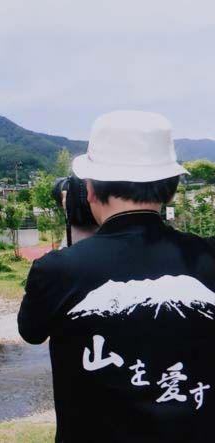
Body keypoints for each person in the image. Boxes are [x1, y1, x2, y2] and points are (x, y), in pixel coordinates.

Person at [18, 110, 215, 443]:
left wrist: (79, 233)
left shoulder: (59, 270)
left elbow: (32, 331)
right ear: (170, 190)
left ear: (90, 190)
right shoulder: (209, 257)